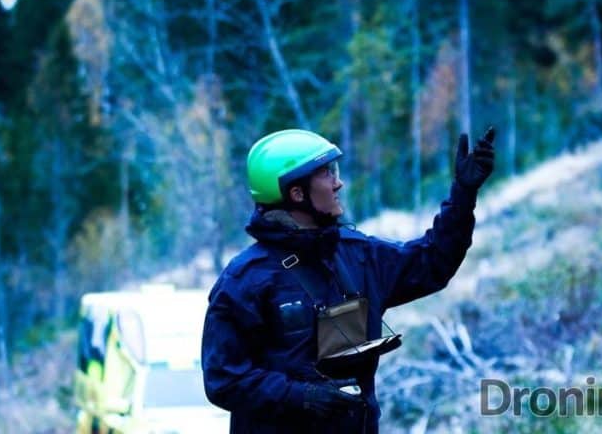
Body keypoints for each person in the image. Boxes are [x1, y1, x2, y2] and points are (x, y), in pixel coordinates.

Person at [202, 126, 495, 433]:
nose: (338, 182)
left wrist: (463, 194)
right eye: (327, 173)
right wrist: (302, 396)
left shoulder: (358, 254)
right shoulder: (244, 280)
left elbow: (433, 261)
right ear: (297, 193)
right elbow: (223, 379)